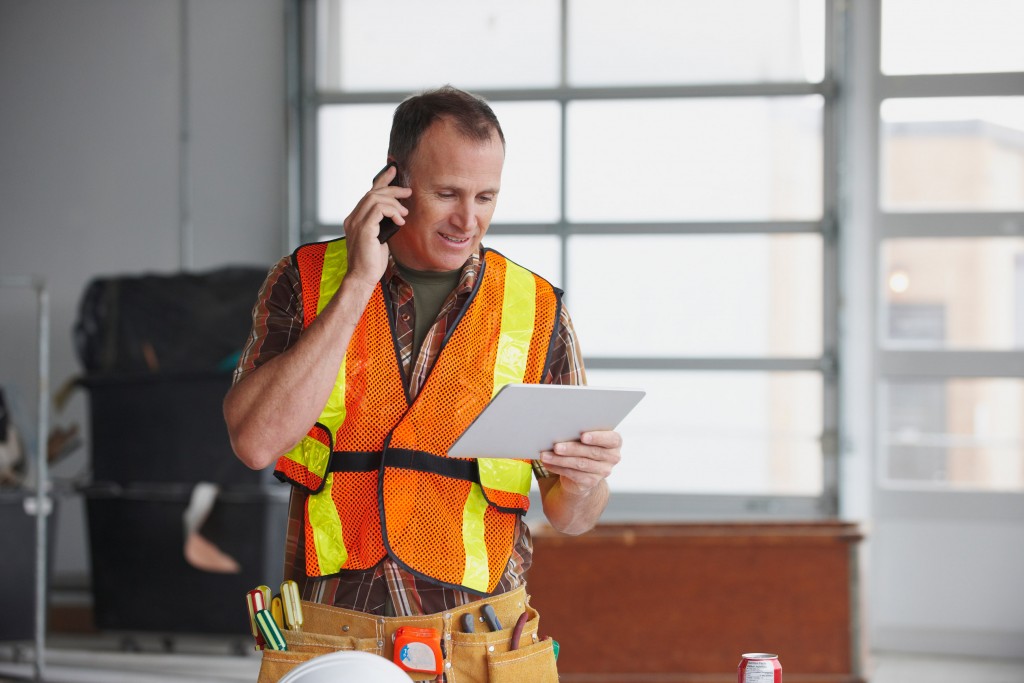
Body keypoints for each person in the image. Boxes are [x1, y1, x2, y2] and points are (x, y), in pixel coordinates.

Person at [224, 85, 622, 679]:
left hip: (486, 643)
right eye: (447, 194)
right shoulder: (307, 280)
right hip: (337, 642)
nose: (470, 220)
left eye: (486, 196)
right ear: (394, 184)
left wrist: (587, 482)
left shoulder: (535, 307)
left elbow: (570, 515)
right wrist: (359, 281)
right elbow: (255, 443)